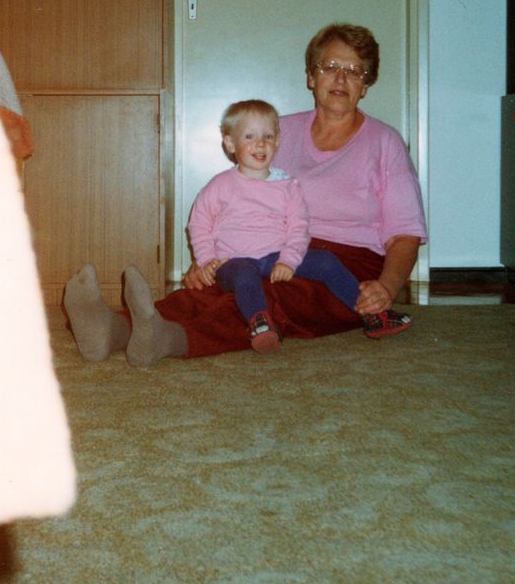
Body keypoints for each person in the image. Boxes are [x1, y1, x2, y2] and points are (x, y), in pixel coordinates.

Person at [64, 23, 427, 367]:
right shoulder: (276, 132)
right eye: (331, 66)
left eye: (355, 70)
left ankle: (171, 339)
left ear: (366, 85)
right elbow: (235, 201)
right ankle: (113, 329)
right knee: (220, 288)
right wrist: (208, 260)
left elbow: (405, 234)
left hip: (346, 266)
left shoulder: (384, 142)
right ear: (311, 76)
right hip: (269, 247)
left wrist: (387, 287)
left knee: (274, 301)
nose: (341, 78)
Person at [188, 98, 374, 353]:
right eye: (250, 136)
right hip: (232, 261)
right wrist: (207, 259)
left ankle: (370, 310)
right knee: (244, 275)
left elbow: (299, 227)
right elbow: (199, 223)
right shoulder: (220, 185)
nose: (260, 143)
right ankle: (261, 324)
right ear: (231, 144)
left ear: (277, 141)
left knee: (326, 261)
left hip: (274, 256)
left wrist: (289, 260)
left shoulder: (288, 186)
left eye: (268, 136)